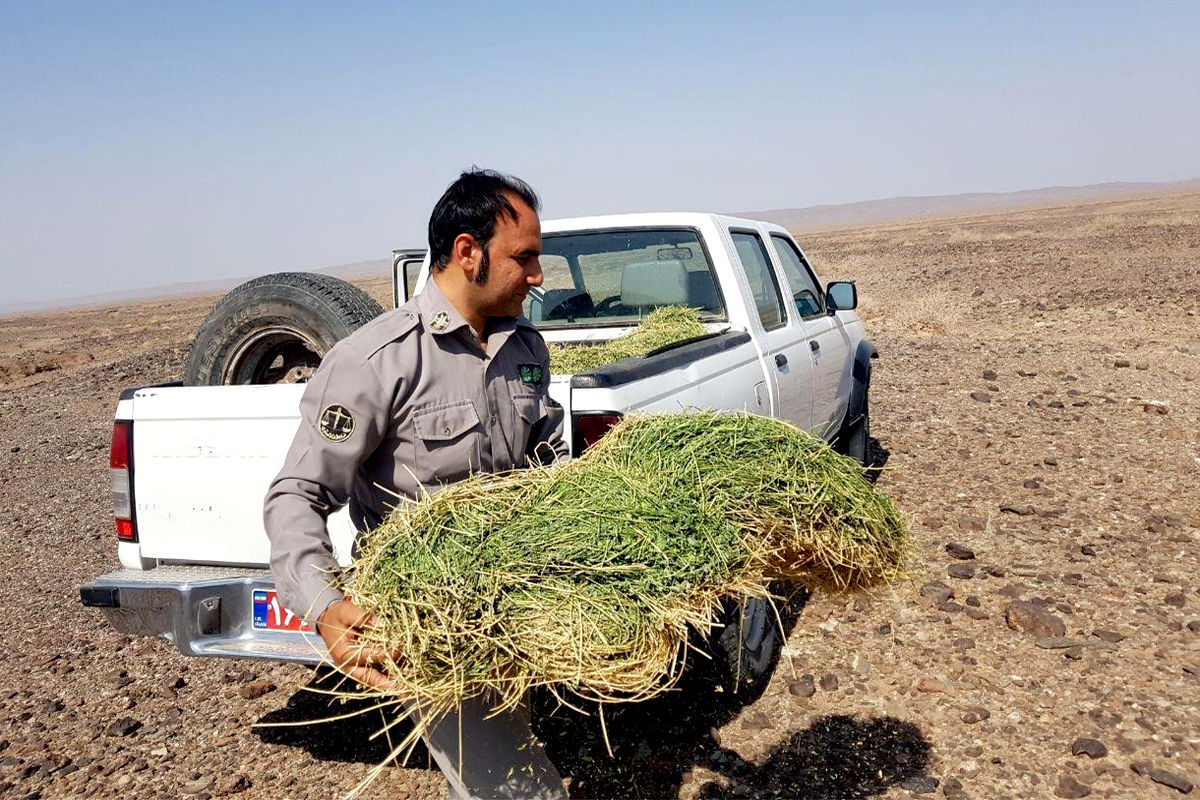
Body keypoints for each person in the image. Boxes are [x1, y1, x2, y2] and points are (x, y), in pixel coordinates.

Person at [263, 169, 569, 799]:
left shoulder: (525, 348)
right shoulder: (375, 361)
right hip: (434, 621)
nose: (538, 277)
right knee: (519, 790)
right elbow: (297, 493)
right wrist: (324, 607)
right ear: (467, 252)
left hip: (517, 604)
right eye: (525, 258)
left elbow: (546, 460)